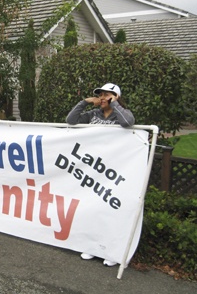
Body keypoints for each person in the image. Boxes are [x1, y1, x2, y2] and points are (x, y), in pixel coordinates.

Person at [66, 82, 135, 267]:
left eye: (107, 94)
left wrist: (115, 105)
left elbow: (128, 122)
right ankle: (92, 246)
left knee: (109, 209)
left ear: (115, 97)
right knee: (92, 207)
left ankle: (111, 251)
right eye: (101, 94)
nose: (102, 97)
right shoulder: (93, 115)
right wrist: (85, 102)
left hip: (114, 170)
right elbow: (71, 121)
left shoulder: (121, 113)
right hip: (93, 169)